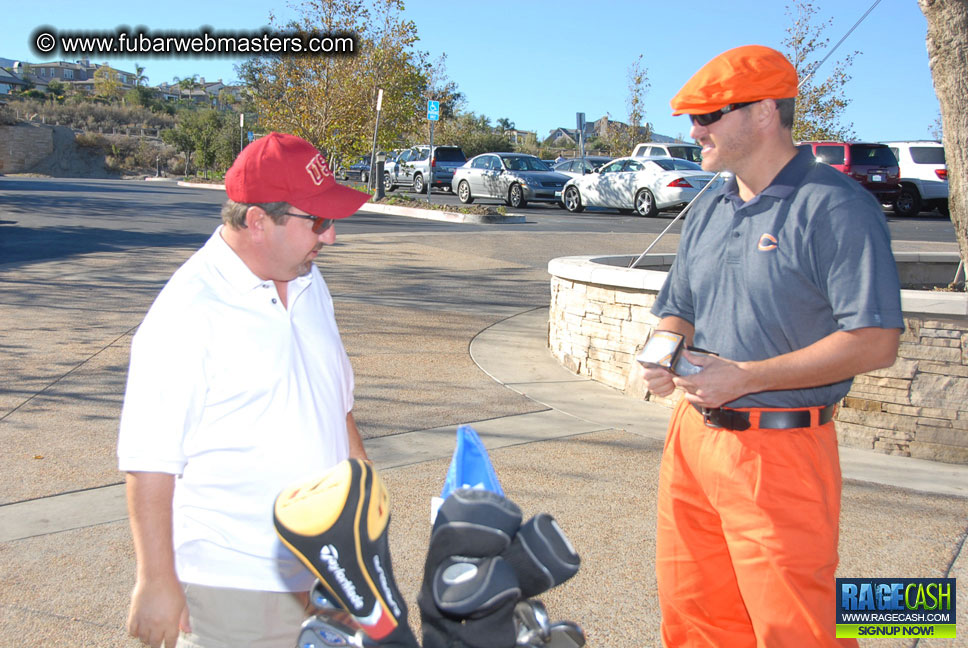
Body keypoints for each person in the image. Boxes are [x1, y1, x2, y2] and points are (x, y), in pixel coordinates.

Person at [640, 45, 903, 647]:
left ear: (763, 112)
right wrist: (659, 356)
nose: (695, 130)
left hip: (780, 452)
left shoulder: (835, 205)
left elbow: (876, 341)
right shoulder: (711, 205)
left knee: (796, 627)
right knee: (693, 615)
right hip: (691, 440)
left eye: (709, 116)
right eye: (692, 118)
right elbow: (678, 309)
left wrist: (748, 376)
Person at [117, 132, 372, 648]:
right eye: (317, 221)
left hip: (320, 570)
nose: (330, 237)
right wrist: (157, 581)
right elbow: (150, 459)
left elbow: (336, 406)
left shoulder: (306, 280)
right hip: (231, 583)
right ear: (258, 221)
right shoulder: (188, 312)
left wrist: (359, 533)